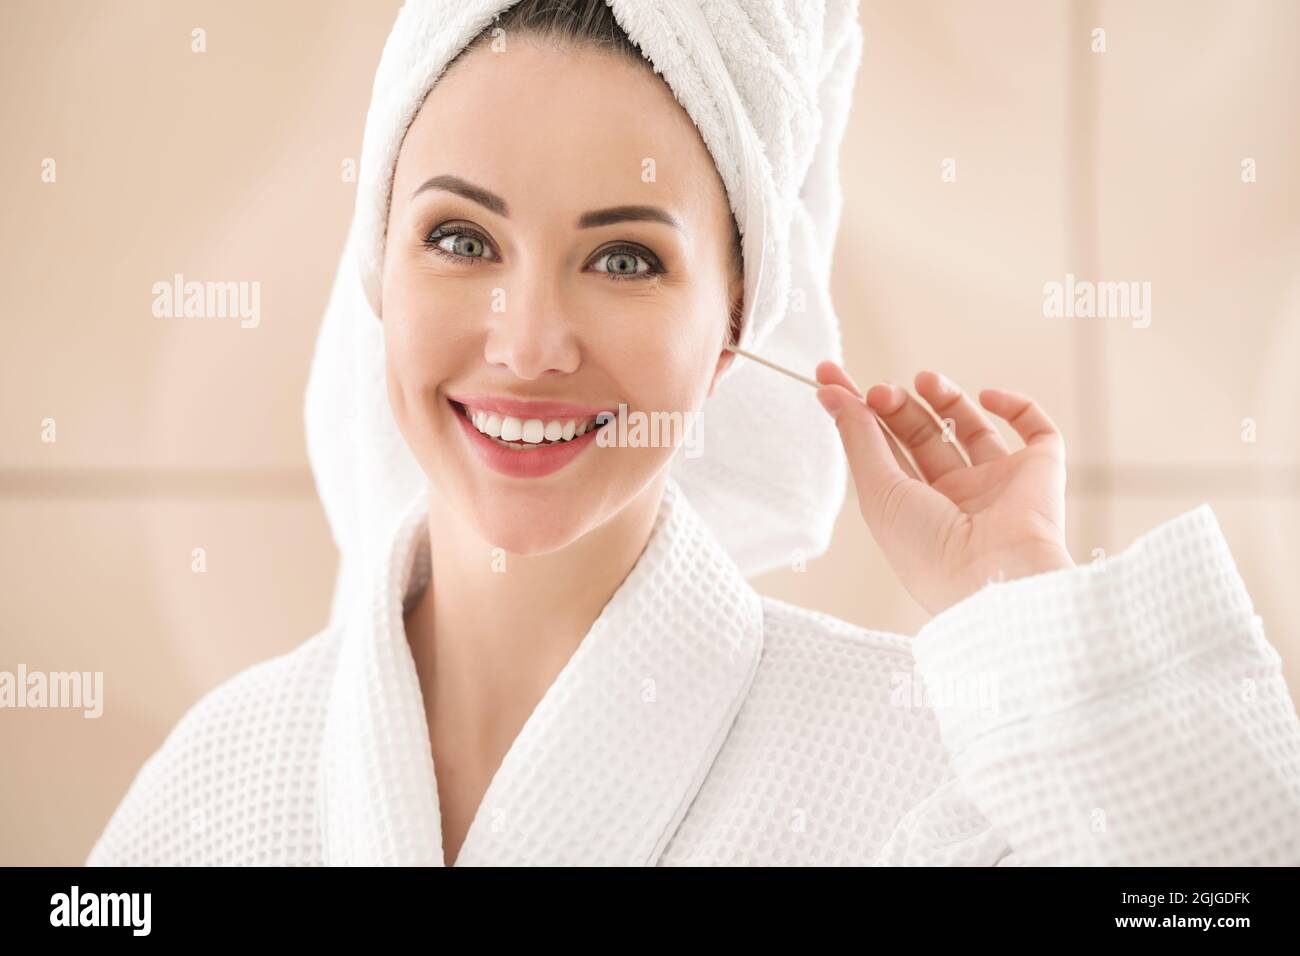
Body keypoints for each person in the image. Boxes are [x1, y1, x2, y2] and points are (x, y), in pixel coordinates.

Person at [86, 0, 1300, 867]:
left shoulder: (928, 768)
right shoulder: (227, 778)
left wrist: (1024, 599)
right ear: (376, 275)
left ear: (731, 328)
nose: (526, 341)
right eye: (461, 239)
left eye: (624, 257)